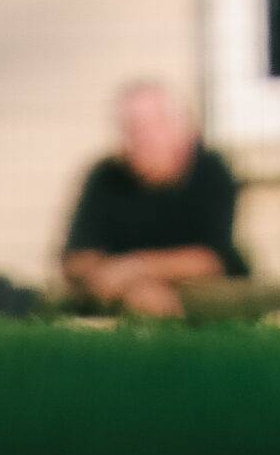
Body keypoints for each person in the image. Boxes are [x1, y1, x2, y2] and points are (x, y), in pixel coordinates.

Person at [61, 82, 248, 318]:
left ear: (184, 129)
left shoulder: (211, 171)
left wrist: (136, 269)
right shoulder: (106, 176)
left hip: (209, 302)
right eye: (131, 128)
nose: (142, 138)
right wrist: (127, 285)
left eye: (153, 126)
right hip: (125, 297)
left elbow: (213, 259)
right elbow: (77, 258)